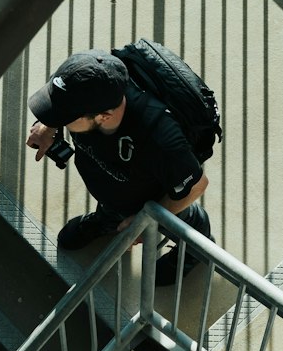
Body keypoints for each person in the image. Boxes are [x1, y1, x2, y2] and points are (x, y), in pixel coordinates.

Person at [26, 49, 212, 285]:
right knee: (114, 198)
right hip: (115, 184)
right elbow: (63, 100)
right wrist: (48, 126)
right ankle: (108, 217)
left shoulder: (159, 138)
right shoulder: (91, 82)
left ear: (103, 116)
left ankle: (194, 248)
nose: (58, 119)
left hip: (150, 194)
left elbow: (196, 184)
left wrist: (143, 220)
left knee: (180, 217)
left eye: (64, 116)